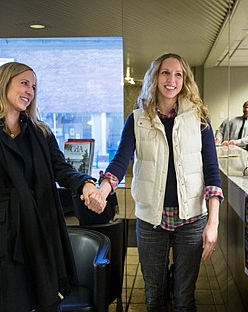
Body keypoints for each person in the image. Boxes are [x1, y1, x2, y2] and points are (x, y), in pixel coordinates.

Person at [0, 62, 103, 312]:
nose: (30, 91)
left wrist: (84, 185)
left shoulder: (41, 133)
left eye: (33, 86)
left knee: (44, 300)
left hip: (40, 231)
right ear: (3, 84)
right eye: (24, 83)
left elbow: (61, 169)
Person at [87, 53, 223, 311]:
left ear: (185, 80)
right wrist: (103, 190)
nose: (171, 80)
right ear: (155, 77)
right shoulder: (138, 119)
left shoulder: (199, 118)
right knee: (154, 297)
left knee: (184, 299)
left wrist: (213, 223)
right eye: (165, 73)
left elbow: (212, 171)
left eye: (178, 74)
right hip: (152, 219)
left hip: (192, 219)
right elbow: (120, 160)